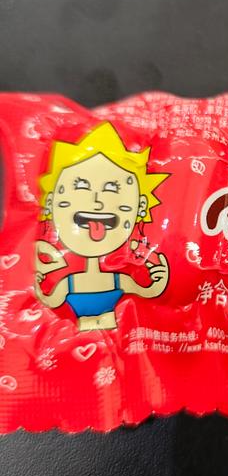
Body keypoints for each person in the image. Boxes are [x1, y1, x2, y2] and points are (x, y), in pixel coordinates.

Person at [34, 122, 170, 331]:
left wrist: (161, 276)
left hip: (113, 329)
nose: (97, 201)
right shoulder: (70, 283)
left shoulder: (117, 280)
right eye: (81, 186)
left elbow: (148, 291)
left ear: (141, 206)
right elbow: (49, 300)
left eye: (112, 188)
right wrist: (35, 282)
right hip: (77, 335)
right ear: (50, 201)